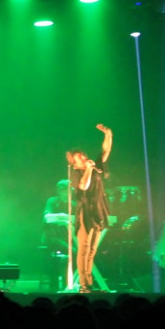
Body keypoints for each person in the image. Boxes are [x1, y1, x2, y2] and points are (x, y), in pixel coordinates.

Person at [65, 123, 113, 293]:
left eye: (83, 155)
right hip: (85, 214)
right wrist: (89, 169)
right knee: (84, 249)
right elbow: (83, 187)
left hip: (98, 210)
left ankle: (89, 284)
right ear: (74, 162)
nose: (84, 158)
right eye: (80, 157)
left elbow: (105, 152)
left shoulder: (95, 166)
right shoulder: (76, 173)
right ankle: (84, 286)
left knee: (92, 250)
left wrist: (108, 135)